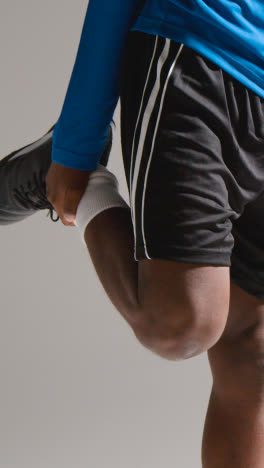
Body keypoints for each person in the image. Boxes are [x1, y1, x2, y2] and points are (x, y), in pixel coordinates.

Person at [1, 0, 264, 466]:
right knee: (180, 323)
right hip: (201, 51)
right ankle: (85, 191)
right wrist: (76, 147)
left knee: (253, 353)